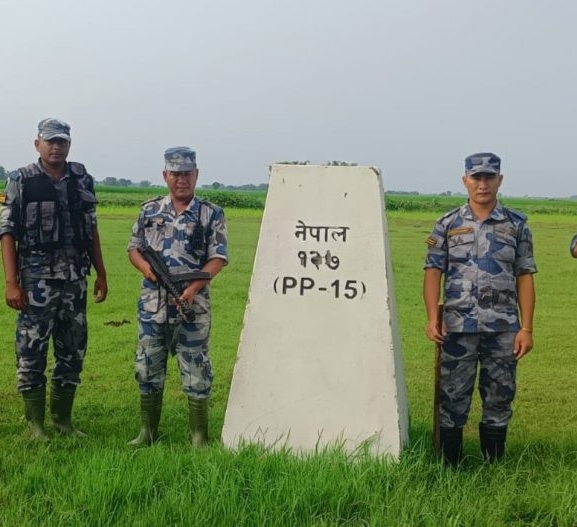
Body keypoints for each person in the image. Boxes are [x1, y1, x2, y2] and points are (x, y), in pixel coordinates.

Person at [423, 152, 537, 466]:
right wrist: (433, 317)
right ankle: (451, 466)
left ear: (500, 180)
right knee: (453, 395)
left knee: (500, 395)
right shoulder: (447, 224)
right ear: (465, 180)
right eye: (476, 177)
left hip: (503, 328)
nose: (482, 184)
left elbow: (524, 276)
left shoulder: (516, 225)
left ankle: (493, 466)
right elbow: (433, 272)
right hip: (457, 327)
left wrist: (526, 328)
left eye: (489, 177)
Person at [0, 118, 108, 440]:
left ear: (69, 145)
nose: (56, 146)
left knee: (72, 349)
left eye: (62, 141)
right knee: (32, 349)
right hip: (36, 281)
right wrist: (11, 282)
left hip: (75, 280)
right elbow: (6, 232)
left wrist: (101, 272)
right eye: (50, 141)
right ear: (38, 144)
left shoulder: (82, 178)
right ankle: (35, 425)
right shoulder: (21, 179)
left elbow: (92, 229)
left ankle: (63, 421)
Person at [127, 146, 228, 447]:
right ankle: (148, 433)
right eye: (175, 173)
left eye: (187, 173)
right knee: (147, 367)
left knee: (196, 367)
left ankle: (199, 436)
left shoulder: (211, 214)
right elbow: (134, 248)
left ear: (196, 175)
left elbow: (219, 257)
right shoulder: (149, 211)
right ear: (165, 175)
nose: (181, 179)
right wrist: (147, 270)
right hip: (153, 304)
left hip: (192, 306)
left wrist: (193, 287)